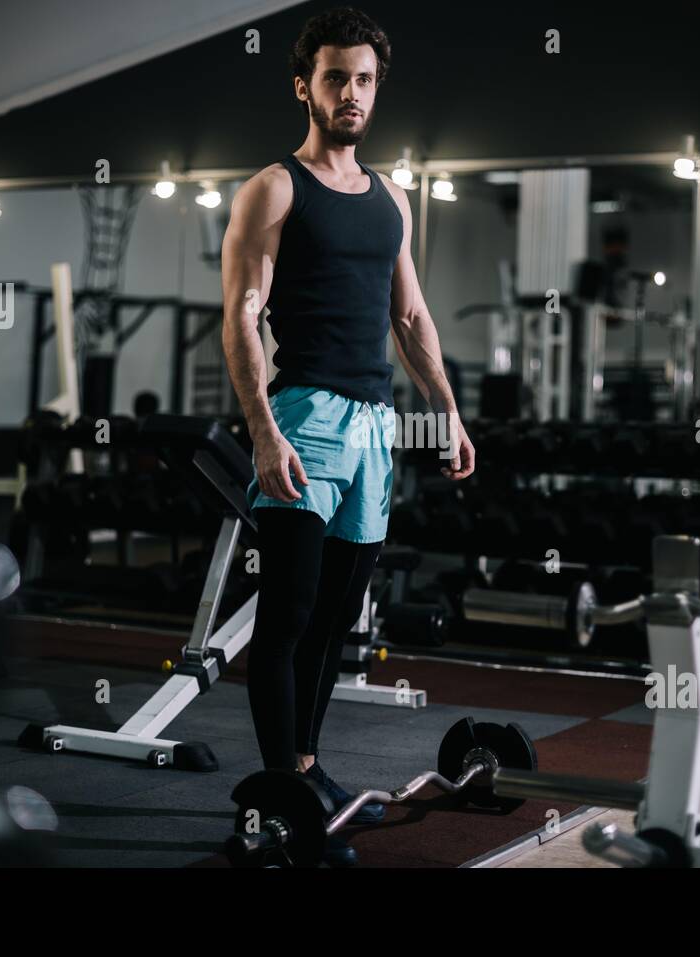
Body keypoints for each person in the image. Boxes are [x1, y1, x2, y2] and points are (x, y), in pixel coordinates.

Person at [220, 7, 474, 865]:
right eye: (336, 78)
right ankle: (279, 792)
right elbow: (241, 318)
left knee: (336, 622)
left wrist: (447, 408)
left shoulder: (391, 199)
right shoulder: (276, 187)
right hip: (304, 420)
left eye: (364, 80)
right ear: (305, 86)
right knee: (287, 616)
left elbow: (410, 316)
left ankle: (305, 764)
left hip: (374, 432)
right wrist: (261, 430)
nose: (352, 93)